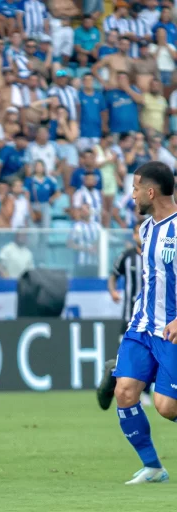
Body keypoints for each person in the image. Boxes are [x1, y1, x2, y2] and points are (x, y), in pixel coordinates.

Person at [110, 160, 177, 485]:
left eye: (135, 189)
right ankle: (153, 467)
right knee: (124, 391)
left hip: (172, 331)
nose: (132, 196)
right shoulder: (147, 228)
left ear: (151, 191)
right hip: (142, 327)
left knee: (166, 407)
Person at [97, 220, 147, 410]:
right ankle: (118, 373)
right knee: (131, 357)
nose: (140, 236)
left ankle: (121, 375)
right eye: (137, 233)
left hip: (154, 319)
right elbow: (113, 275)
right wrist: (112, 291)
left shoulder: (157, 254)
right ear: (133, 236)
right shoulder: (126, 257)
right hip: (131, 317)